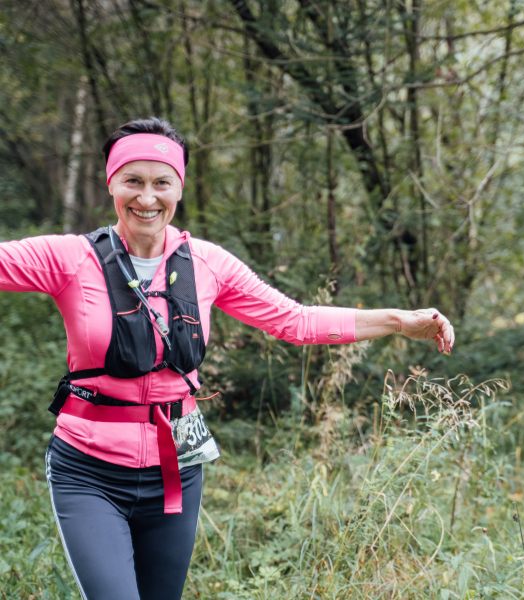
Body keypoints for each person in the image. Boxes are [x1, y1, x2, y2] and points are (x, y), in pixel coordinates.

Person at [0, 117, 455, 600]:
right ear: (111, 182)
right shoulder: (70, 257)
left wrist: (397, 320)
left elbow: (295, 320)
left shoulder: (207, 263)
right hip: (89, 469)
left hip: (177, 468)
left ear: (179, 188)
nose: (147, 198)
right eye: (133, 180)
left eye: (162, 183)